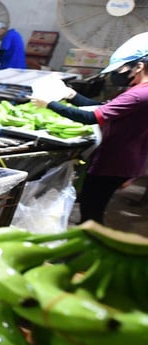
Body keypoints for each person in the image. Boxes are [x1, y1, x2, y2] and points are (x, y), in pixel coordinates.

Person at [31, 32, 148, 224]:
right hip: (128, 159)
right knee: (92, 207)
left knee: (91, 211)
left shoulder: (139, 95)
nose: (122, 74)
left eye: (124, 69)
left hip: (115, 162)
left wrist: (50, 104)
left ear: (140, 66)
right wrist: (72, 96)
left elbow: (91, 117)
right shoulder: (140, 92)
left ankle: (90, 249)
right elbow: (104, 108)